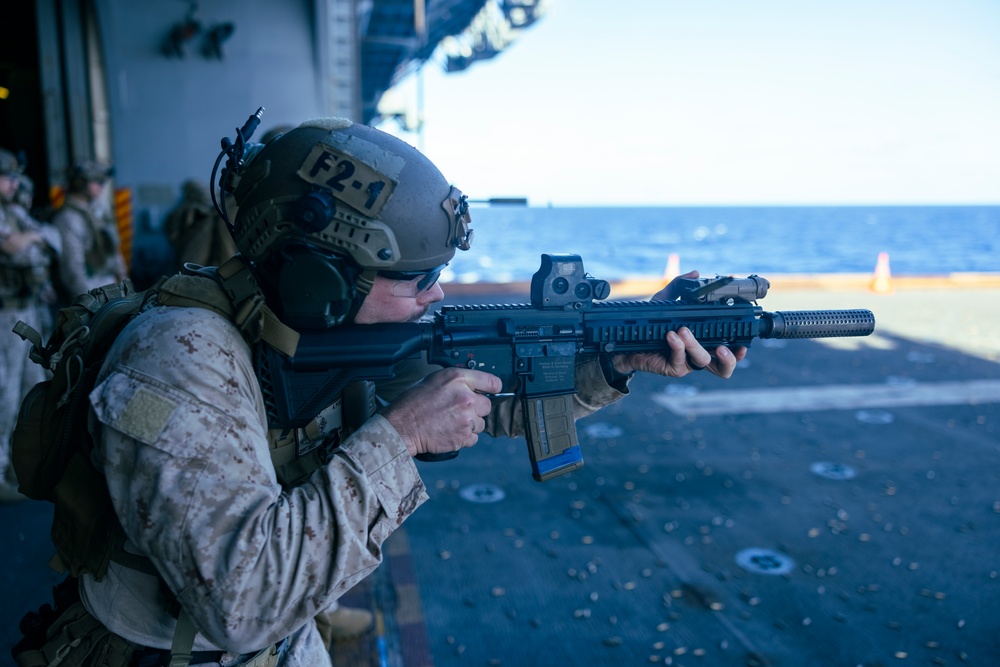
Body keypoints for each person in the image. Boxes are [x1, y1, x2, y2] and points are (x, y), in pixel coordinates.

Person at [32, 118, 745, 665]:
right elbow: (239, 600)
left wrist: (617, 360)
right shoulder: (176, 357)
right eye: (418, 281)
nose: (437, 298)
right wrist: (399, 437)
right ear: (322, 281)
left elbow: (485, 397)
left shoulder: (296, 327)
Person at [0, 148, 61, 502]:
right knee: (4, 396)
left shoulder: (15, 212)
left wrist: (32, 242)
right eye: (7, 177)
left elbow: (52, 240)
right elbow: (13, 251)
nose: (13, 183)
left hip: (24, 310)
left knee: (29, 390)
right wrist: (31, 244)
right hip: (4, 312)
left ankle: (15, 467)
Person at [51, 159, 128, 303]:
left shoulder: (97, 210)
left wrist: (124, 282)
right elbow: (73, 270)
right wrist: (89, 304)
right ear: (80, 183)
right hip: (91, 291)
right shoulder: (68, 218)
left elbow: (113, 249)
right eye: (98, 182)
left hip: (109, 287)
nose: (102, 187)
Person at [162, 179, 237, 271]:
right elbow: (174, 233)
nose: (204, 196)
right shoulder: (187, 212)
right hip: (197, 268)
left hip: (221, 266)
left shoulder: (227, 207)